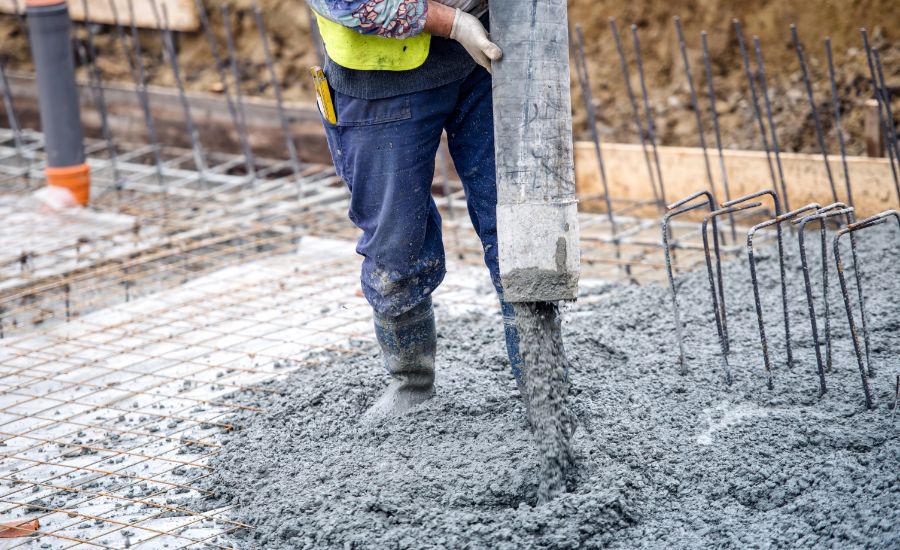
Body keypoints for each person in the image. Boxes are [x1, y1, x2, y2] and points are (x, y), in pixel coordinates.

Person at [305, 0, 518, 421]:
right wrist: (453, 23)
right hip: (380, 78)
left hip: (489, 54)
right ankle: (412, 381)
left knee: (518, 221)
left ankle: (542, 378)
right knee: (395, 238)